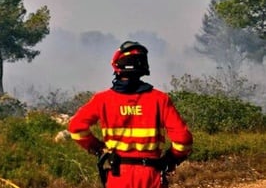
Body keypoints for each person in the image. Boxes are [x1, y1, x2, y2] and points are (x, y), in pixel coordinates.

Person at [68, 41, 193, 188]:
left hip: (118, 175)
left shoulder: (102, 100)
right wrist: (170, 160)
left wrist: (99, 148)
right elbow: (183, 141)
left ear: (117, 67)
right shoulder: (160, 99)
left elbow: (76, 128)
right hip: (151, 176)